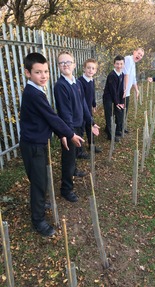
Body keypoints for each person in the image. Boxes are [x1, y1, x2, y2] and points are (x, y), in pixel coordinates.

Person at [19, 52, 84, 237]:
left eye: (46, 71)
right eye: (38, 72)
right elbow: (51, 116)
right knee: (39, 182)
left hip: (38, 143)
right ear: (27, 73)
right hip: (33, 146)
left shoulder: (37, 90)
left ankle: (39, 204)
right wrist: (69, 134)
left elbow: (48, 118)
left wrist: (60, 133)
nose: (44, 75)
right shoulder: (33, 93)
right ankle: (38, 220)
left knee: (41, 179)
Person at [54, 50, 100, 203]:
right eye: (62, 63)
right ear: (59, 66)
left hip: (79, 125)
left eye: (68, 62)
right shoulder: (60, 86)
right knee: (68, 158)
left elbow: (84, 105)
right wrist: (69, 133)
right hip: (69, 128)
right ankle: (66, 189)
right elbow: (65, 112)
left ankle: (74, 171)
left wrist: (91, 122)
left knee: (74, 155)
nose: (65, 65)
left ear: (74, 65)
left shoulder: (77, 83)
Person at [78, 58, 102, 153]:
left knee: (90, 126)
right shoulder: (80, 82)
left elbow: (92, 93)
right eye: (88, 68)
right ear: (84, 68)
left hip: (89, 109)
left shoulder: (92, 80)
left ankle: (91, 145)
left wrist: (94, 103)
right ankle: (79, 150)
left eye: (93, 68)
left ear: (95, 71)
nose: (90, 70)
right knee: (81, 128)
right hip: (82, 110)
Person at [103, 55, 125, 141]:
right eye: (117, 64)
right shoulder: (112, 75)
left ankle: (111, 130)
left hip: (115, 97)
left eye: (121, 64)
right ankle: (110, 135)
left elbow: (120, 89)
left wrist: (121, 101)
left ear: (123, 64)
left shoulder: (122, 74)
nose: (119, 66)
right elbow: (113, 90)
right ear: (114, 64)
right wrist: (117, 103)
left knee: (118, 113)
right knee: (109, 115)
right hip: (108, 98)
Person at [123, 47, 144, 132]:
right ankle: (118, 129)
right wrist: (125, 88)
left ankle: (122, 127)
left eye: (141, 55)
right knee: (120, 110)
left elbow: (134, 78)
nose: (139, 56)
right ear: (134, 52)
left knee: (125, 110)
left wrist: (137, 90)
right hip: (123, 91)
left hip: (127, 92)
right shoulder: (128, 59)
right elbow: (126, 74)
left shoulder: (134, 63)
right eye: (138, 53)